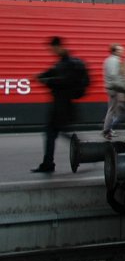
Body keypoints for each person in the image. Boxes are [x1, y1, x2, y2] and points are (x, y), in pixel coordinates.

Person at [32, 36, 79, 173]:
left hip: (62, 106)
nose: (51, 51)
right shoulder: (62, 62)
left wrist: (47, 81)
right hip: (59, 106)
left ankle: (88, 150)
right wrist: (42, 77)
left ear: (58, 47)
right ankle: (48, 163)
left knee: (55, 133)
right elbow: (53, 73)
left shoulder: (67, 62)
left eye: (52, 48)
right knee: (54, 133)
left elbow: (63, 80)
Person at [101, 44, 125, 139]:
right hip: (114, 89)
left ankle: (108, 129)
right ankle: (106, 130)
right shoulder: (114, 61)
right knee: (112, 110)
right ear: (115, 51)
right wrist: (122, 87)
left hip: (112, 88)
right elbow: (114, 76)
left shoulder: (110, 60)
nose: (122, 51)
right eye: (120, 50)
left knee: (113, 110)